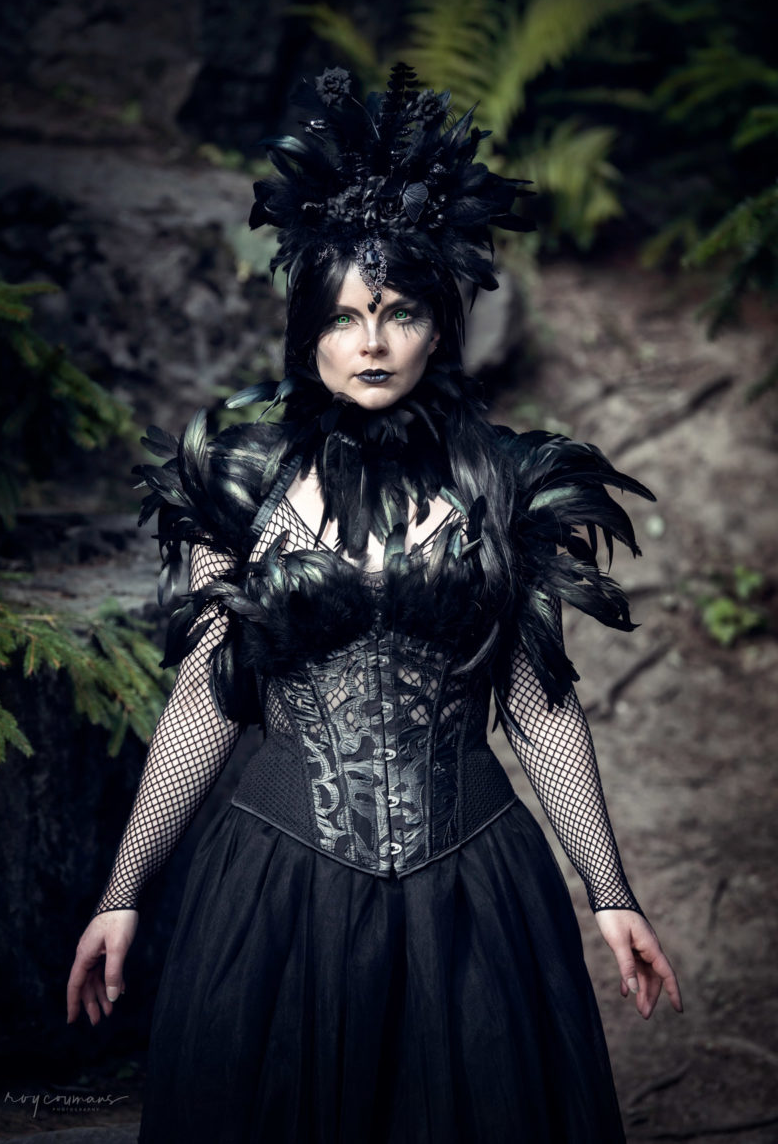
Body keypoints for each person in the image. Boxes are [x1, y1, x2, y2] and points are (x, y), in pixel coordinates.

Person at [67, 65, 682, 1143]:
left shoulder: (498, 484)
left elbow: (536, 704)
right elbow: (207, 696)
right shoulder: (242, 485)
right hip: (278, 881)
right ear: (307, 331)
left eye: (399, 313)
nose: (373, 342)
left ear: (439, 327)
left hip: (471, 881)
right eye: (347, 317)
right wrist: (123, 889)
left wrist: (609, 889)